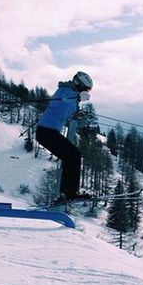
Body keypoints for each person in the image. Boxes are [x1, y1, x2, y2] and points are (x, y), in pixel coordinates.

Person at [36, 71, 93, 202]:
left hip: (50, 132)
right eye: (85, 89)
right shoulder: (63, 91)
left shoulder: (72, 98)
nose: (87, 92)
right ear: (79, 85)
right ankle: (70, 192)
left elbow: (70, 112)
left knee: (70, 157)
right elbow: (64, 98)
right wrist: (77, 95)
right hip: (46, 131)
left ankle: (65, 193)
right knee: (74, 155)